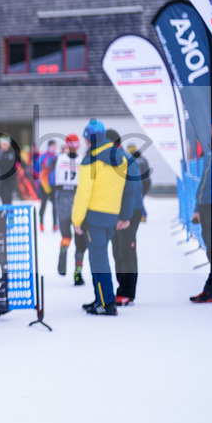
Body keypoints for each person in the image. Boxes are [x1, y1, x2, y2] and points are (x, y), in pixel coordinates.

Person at [72, 120, 135, 316]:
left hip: (93, 217)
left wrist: (77, 220)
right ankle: (100, 298)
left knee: (98, 261)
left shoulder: (90, 160)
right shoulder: (121, 158)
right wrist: (125, 215)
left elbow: (83, 193)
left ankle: (107, 303)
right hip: (111, 217)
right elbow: (129, 188)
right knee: (100, 258)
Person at [107, 130, 144, 306]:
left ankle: (128, 292)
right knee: (117, 251)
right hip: (116, 212)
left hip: (130, 212)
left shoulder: (126, 160)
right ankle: (121, 289)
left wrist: (126, 216)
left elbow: (134, 189)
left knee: (126, 251)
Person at [191, 116, 212, 303]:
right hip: (205, 207)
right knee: (211, 248)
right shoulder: (211, 153)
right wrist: (196, 209)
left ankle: (211, 288)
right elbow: (203, 181)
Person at [51, 134, 87, 284]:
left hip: (62, 197)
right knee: (80, 239)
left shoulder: (58, 159)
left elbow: (46, 175)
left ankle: (64, 248)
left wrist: (52, 193)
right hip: (78, 198)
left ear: (66, 145)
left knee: (66, 234)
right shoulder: (83, 161)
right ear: (78, 146)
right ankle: (78, 273)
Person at [35, 140, 57, 231]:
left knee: (55, 205)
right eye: (52, 146)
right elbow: (37, 169)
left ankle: (55, 224)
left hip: (54, 185)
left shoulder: (57, 157)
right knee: (43, 204)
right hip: (44, 184)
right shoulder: (43, 157)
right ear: (48, 146)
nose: (54, 148)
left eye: (55, 146)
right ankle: (41, 223)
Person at [0, 136, 16, 205]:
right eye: (2, 144)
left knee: (8, 198)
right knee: (3, 198)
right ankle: (5, 214)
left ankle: (10, 214)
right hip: (1, 180)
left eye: (5, 144)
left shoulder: (12, 154)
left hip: (10, 180)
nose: (3, 146)